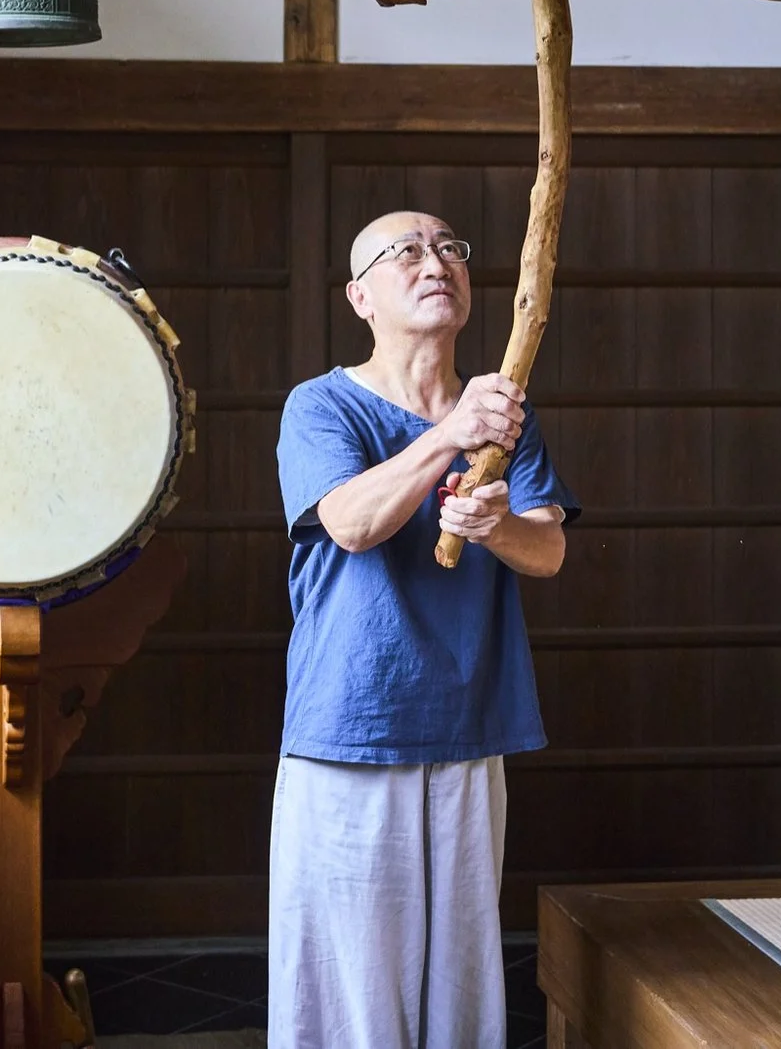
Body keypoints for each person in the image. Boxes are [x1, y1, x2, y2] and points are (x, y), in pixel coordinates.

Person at [269, 209, 578, 1049]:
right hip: (352, 729)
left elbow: (545, 548)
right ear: (359, 295)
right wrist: (451, 435)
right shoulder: (321, 405)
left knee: (462, 996)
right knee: (354, 998)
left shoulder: (504, 409)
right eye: (404, 251)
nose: (433, 260)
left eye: (448, 247)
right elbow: (351, 521)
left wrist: (492, 525)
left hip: (473, 725)